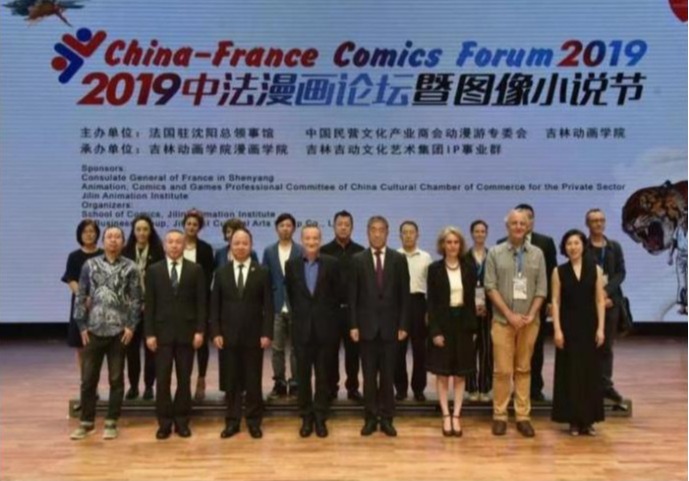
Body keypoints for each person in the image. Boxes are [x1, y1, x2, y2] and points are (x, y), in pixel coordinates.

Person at [70, 226, 142, 440]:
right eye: (109, 237)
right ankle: (86, 422)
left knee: (116, 379)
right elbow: (81, 296)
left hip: (119, 332)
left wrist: (131, 326)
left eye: (117, 237)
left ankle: (111, 421)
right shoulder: (90, 265)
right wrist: (82, 326)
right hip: (93, 330)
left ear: (123, 242)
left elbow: (136, 300)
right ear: (103, 241)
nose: (113, 240)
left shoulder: (131, 267)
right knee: (88, 380)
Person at [485, 209, 547, 438]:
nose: (519, 227)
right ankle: (500, 415)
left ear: (528, 226)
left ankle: (522, 416)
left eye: (522, 223)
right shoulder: (495, 252)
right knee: (502, 371)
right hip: (503, 321)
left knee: (523, 369)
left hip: (529, 322)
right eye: (514, 223)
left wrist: (531, 314)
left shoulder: (537, 254)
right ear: (507, 226)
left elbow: (541, 289)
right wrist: (509, 314)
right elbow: (490, 287)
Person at [349, 215, 410, 437]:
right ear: (367, 232)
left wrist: (403, 324)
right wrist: (353, 325)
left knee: (387, 377)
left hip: (391, 329)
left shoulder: (398, 259)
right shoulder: (357, 260)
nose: (377, 234)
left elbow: (405, 296)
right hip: (366, 329)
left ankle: (386, 418)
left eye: (381, 230)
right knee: (368, 377)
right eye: (373, 230)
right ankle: (369, 418)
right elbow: (353, 297)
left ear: (387, 233)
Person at [210, 228, 273, 439]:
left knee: (253, 381)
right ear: (230, 245)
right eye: (236, 243)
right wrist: (216, 332)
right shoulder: (221, 273)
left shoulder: (262, 272)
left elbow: (268, 306)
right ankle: (232, 421)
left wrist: (267, 332)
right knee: (231, 381)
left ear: (251, 245)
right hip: (227, 336)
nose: (240, 247)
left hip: (254, 336)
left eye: (245, 243)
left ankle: (254, 422)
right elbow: (214, 305)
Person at [144, 230, 207, 439]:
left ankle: (182, 421)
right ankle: (164, 423)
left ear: (184, 245)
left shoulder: (195, 270)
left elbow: (201, 303)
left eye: (178, 242)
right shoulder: (154, 270)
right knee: (162, 381)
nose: (174, 245)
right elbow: (150, 304)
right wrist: (149, 334)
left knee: (184, 380)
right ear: (164, 246)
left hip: (187, 334)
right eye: (170, 242)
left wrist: (200, 331)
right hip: (161, 335)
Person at [285, 225, 340, 438]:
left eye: (315, 238)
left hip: (325, 330)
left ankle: (320, 417)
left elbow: (336, 295)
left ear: (320, 240)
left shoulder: (332, 264)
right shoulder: (291, 265)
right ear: (302, 240)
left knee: (323, 376)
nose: (311, 242)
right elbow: (291, 294)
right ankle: (306, 416)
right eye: (307, 238)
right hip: (302, 330)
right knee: (303, 376)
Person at [499, 204, 557, 402]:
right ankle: (513, 390)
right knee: (510, 351)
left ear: (531, 221)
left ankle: (535, 388)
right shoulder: (501, 244)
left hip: (535, 305)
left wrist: (550, 301)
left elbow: (551, 273)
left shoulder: (545, 243)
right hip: (510, 307)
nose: (521, 224)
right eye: (516, 221)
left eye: (527, 218)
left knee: (535, 348)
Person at [552, 229, 606, 436]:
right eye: (569, 244)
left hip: (589, 327)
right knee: (570, 373)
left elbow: (599, 300)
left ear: (583, 245)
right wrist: (557, 329)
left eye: (576, 243)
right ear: (564, 248)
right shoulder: (559, 271)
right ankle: (573, 420)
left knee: (590, 373)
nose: (573, 247)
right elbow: (555, 301)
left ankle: (589, 420)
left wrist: (601, 328)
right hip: (568, 327)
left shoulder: (596, 270)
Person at [426, 227, 477, 437]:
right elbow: (431, 303)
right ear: (442, 245)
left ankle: (457, 414)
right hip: (443, 326)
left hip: (463, 326)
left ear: (460, 245)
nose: (452, 246)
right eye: (449, 242)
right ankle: (445, 415)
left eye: (456, 242)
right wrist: (435, 331)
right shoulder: (434, 269)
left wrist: (473, 328)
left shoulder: (469, 268)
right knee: (443, 373)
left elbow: (472, 300)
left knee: (460, 373)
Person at [320, 210, 365, 401]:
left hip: (353, 312)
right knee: (330, 352)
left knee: (353, 353)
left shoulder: (361, 252)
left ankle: (353, 388)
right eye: (340, 224)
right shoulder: (324, 251)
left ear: (352, 227)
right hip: (330, 312)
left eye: (347, 224)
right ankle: (332, 388)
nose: (343, 227)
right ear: (334, 226)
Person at [585, 208, 627, 403]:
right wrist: (596, 296)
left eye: (601, 220)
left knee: (607, 346)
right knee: (588, 346)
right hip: (588, 304)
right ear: (588, 224)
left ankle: (605, 385)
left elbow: (620, 273)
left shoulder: (614, 247)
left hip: (611, 303)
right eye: (594, 220)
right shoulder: (582, 247)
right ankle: (589, 385)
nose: (598, 223)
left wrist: (606, 292)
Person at [213, 218, 259, 396]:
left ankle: (248, 391)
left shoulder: (254, 259)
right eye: (229, 232)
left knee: (250, 363)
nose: (239, 245)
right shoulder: (220, 256)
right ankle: (230, 391)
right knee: (229, 362)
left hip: (249, 318)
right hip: (227, 317)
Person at [123, 214, 165, 401]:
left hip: (152, 308)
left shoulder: (158, 252)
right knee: (131, 351)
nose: (141, 233)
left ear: (151, 231)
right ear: (133, 232)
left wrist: (150, 302)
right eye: (138, 229)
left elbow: (162, 282)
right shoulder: (125, 252)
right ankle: (133, 386)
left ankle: (149, 386)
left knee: (151, 350)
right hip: (130, 309)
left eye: (145, 229)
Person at [61, 219, 103, 401]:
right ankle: (87, 386)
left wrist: (95, 297)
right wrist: (83, 296)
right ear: (80, 234)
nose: (89, 234)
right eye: (85, 231)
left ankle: (95, 384)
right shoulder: (74, 256)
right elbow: (70, 279)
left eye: (92, 231)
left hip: (101, 305)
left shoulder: (103, 254)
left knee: (98, 347)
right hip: (80, 305)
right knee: (81, 347)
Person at [262, 213, 302, 398]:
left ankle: (295, 382)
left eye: (288, 225)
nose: (285, 228)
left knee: (296, 348)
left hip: (296, 306)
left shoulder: (300, 250)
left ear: (293, 228)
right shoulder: (269, 251)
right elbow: (265, 279)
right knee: (277, 348)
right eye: (282, 225)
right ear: (276, 228)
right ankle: (279, 382)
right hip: (276, 305)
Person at [395, 220, 432, 402]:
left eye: (412, 232)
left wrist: (429, 311)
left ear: (417, 235)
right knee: (398, 350)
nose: (408, 235)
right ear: (400, 236)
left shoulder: (426, 257)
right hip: (398, 305)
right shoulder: (394, 256)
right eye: (405, 232)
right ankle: (400, 389)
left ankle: (419, 389)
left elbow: (431, 286)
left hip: (419, 303)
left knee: (420, 351)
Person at [182, 209, 215, 401]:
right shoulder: (176, 244)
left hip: (200, 300)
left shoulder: (205, 249)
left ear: (199, 228)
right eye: (189, 224)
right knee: (183, 345)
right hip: (178, 301)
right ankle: (184, 383)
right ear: (184, 225)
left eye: (195, 224)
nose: (191, 227)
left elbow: (208, 274)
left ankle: (201, 379)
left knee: (201, 344)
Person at [465, 220, 493, 402]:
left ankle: (485, 388)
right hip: (469, 309)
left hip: (489, 309)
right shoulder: (464, 257)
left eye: (483, 231)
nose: (480, 234)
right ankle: (471, 388)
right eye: (477, 231)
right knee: (470, 349)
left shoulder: (493, 256)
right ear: (472, 234)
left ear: (486, 234)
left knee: (487, 350)